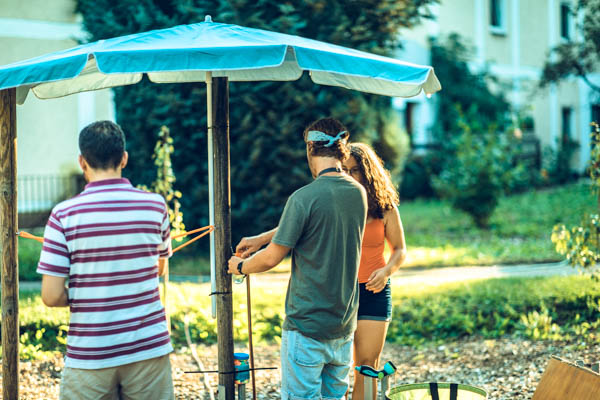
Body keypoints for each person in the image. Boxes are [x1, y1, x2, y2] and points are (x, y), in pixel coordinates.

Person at [227, 117, 368, 400]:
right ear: (341, 150)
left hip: (307, 327)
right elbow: (317, 221)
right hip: (342, 327)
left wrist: (240, 267)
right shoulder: (358, 193)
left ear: (310, 149)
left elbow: (271, 259)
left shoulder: (303, 198)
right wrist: (262, 238)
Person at [37, 120, 174, 400]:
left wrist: (91, 294)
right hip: (148, 349)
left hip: (90, 353)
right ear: (124, 158)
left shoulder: (64, 215)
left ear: (82, 161)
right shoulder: (156, 205)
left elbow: (51, 296)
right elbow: (158, 268)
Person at [342, 142, 407, 399]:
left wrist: (386, 271)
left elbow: (400, 249)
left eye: (354, 170)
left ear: (368, 173)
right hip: (338, 292)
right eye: (343, 170)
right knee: (334, 366)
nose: (348, 176)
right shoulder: (334, 205)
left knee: (366, 367)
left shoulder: (385, 208)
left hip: (373, 291)